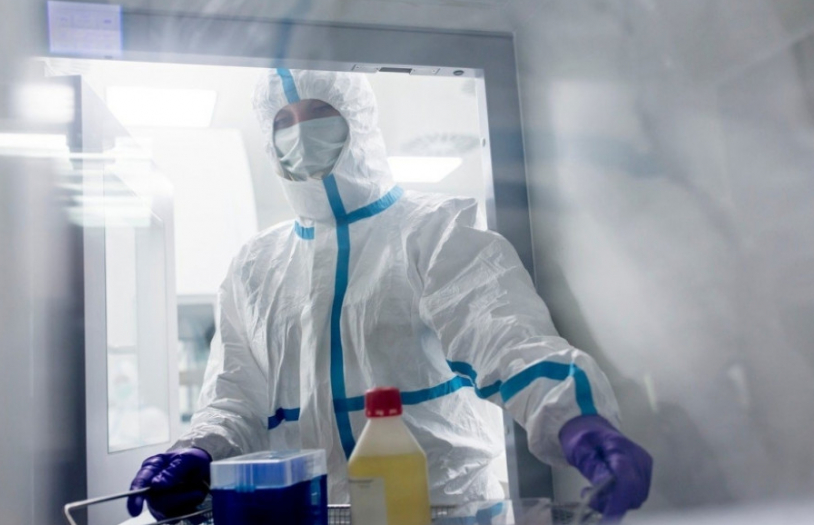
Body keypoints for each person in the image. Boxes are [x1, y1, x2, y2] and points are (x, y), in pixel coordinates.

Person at [127, 69, 652, 522]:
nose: (301, 131)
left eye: (318, 112)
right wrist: (200, 450)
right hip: (312, 513)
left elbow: (505, 337)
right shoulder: (255, 266)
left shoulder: (434, 231)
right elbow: (235, 395)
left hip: (443, 510)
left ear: (358, 118)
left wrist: (577, 421)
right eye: (284, 120)